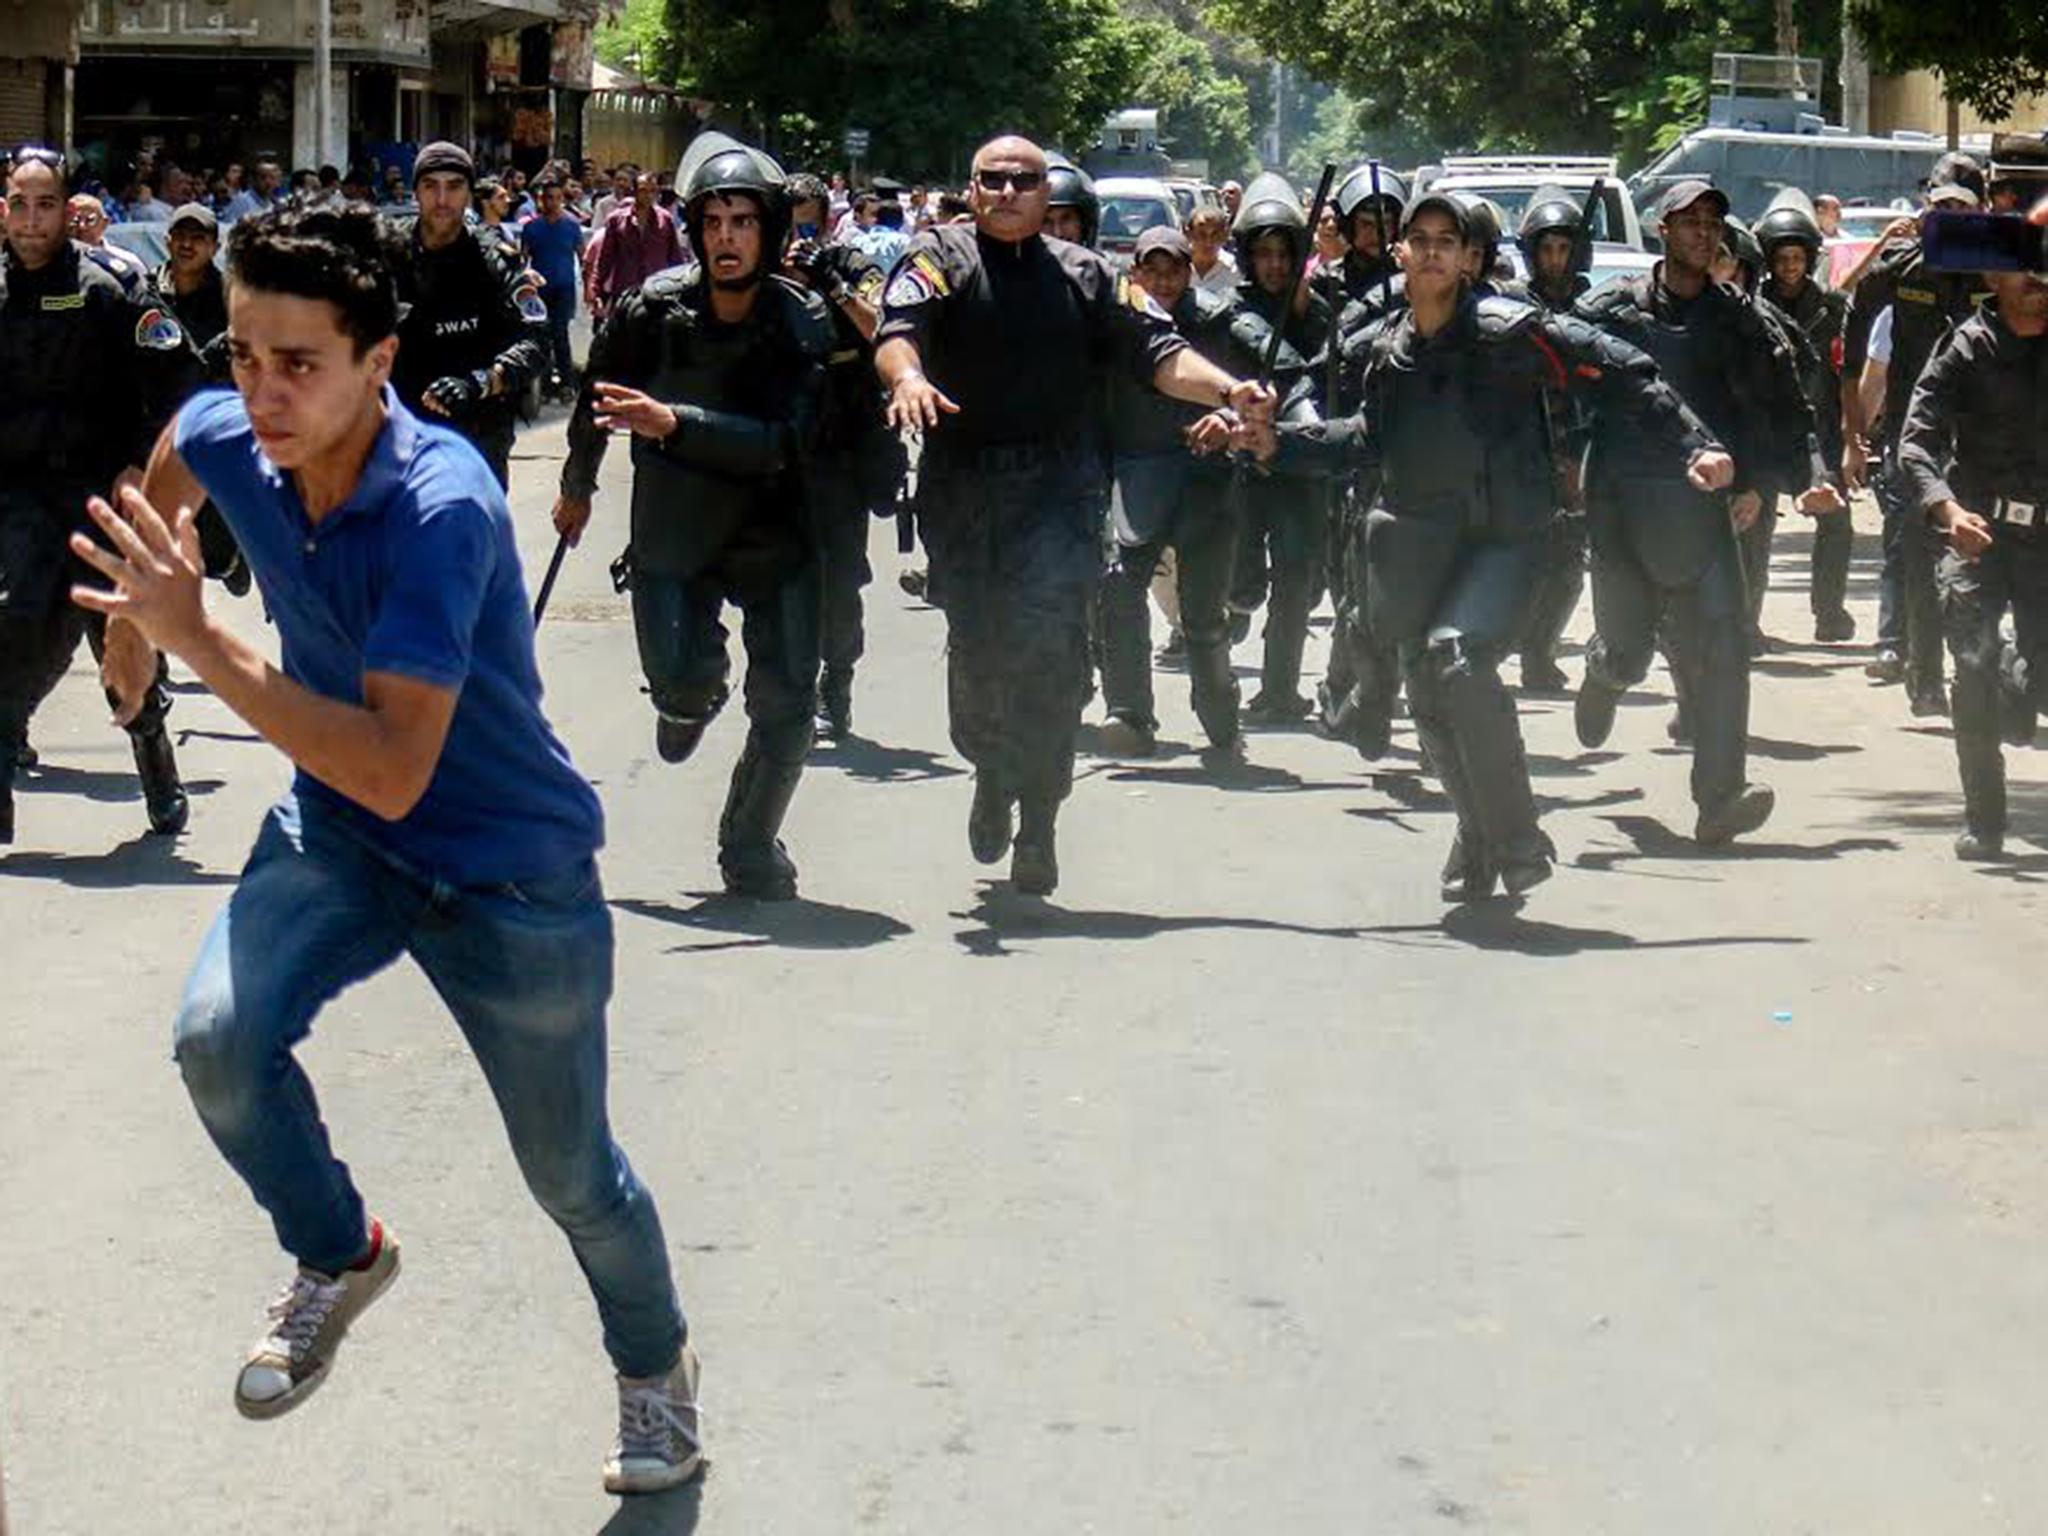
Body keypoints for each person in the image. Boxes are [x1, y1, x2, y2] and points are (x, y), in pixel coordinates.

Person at [76, 201, 700, 1492]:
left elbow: (391, 763)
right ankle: (340, 1251)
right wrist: (134, 631)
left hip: (504, 871)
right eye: (244, 353)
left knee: (573, 1176)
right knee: (216, 1041)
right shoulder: (229, 425)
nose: (262, 392)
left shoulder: (444, 507)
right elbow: (172, 466)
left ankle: (655, 1371)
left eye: (298, 364)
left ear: (380, 362)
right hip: (341, 836)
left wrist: (195, 640)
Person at [1255, 190, 1731, 899]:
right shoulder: (1390, 353)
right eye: (1423, 239)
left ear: (1470, 257)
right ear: (1402, 253)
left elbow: (1623, 366)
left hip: (1509, 541)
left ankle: (1516, 838)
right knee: (1429, 694)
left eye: (1452, 240)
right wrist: (1272, 444)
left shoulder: (1513, 332)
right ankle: (1476, 838)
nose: (1437, 251)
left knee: (1461, 660)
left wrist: (1695, 442)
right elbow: (1363, 442)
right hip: (1421, 544)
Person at [874, 135, 1273, 895]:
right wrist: (909, 379)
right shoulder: (937, 258)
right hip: (964, 497)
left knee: (1055, 666)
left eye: (1024, 181)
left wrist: (1230, 391)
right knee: (979, 665)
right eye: (991, 180)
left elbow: (1162, 352)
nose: (1007, 193)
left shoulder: (1092, 277)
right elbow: (898, 334)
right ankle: (992, 770)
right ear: (972, 186)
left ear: (1048, 193)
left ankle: (1041, 824)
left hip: (1059, 496)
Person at [553, 133, 832, 899]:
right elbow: (597, 400)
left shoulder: (800, 321)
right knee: (679, 684)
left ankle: (748, 844)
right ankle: (690, 695)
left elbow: (786, 442)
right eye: (713, 223)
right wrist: (577, 486)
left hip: (773, 531)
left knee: (787, 704)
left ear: (769, 232)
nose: (726, 238)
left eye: (743, 222)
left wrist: (671, 421)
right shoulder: (653, 309)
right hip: (675, 527)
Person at [1573, 179, 1839, 846]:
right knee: (1632, 653)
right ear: (1662, 228)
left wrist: (1793, 480)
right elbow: (1557, 387)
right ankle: (1605, 671)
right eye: (1688, 220)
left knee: (1725, 645)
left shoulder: (1741, 319)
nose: (1701, 231)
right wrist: (1559, 468)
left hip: (1705, 508)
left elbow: (1785, 408)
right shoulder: (1611, 312)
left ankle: (1720, 797)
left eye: (1711, 221)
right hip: (1621, 508)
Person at [0, 146, 191, 843]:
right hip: (17, 497)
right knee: (10, 622)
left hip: (100, 498)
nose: (30, 219)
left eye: (44, 204)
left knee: (118, 656)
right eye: (18, 203)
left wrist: (142, 467)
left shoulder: (110, 289)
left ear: (68, 210)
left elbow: (176, 390)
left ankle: (155, 759)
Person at [1896, 256, 2048, 859]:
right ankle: (1985, 822)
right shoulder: (1964, 348)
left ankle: (2021, 680)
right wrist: (1949, 512)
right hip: (1976, 533)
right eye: (2029, 277)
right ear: (1996, 280)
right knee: (1973, 663)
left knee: (2033, 685)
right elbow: (1916, 443)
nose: (2040, 289)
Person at [1843, 161, 1988, 714]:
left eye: (1962, 210)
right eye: (1941, 208)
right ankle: (1925, 675)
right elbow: (1851, 321)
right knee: (1920, 552)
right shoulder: (1902, 266)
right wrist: (1851, 433)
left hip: (1984, 435)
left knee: (1983, 554)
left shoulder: (2003, 266)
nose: (1950, 218)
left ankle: (1985, 667)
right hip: (1916, 437)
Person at [1098, 226, 1247, 757]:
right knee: (1117, 587)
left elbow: (1263, 383)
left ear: (1189, 270)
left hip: (1205, 477)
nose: (1162, 281)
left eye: (1173, 270)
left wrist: (1230, 415)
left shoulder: (1222, 318)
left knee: (1203, 614)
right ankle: (1129, 712)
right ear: (1135, 271)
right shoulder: (1115, 318)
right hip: (1136, 471)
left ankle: (1218, 706)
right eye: (1151, 270)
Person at [784, 172, 895, 740]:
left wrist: (831, 281)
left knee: (839, 576)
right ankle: (785, 685)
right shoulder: (764, 270)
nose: (799, 230)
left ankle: (837, 682)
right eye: (790, 218)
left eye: (809, 217)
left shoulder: (850, 265)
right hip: (777, 443)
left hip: (842, 445)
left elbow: (883, 327)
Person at [1227, 172, 1333, 722]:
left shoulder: (1322, 310)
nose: (1273, 264)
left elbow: (1331, 375)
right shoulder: (1227, 309)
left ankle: (1279, 689)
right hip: (1241, 465)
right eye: (1263, 253)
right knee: (1238, 581)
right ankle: (1216, 681)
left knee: (1297, 578)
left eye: (1282, 253)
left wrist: (1307, 310)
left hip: (1301, 464)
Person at [389, 142, 550, 489]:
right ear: (415, 191)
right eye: (431, 186)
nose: (442, 199)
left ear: (469, 194)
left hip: (475, 438)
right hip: (398, 437)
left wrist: (481, 381)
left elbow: (536, 343)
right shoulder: (387, 253)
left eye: (454, 186)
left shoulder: (498, 261)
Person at [1756, 187, 1855, 643]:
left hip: (1820, 433)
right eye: (1782, 259)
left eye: (1798, 258)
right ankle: (1744, 618)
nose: (1790, 268)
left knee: (1837, 522)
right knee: (1752, 524)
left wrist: (1852, 433)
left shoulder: (1833, 308)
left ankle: (1829, 612)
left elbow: (1848, 371)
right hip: (1768, 431)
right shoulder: (1750, 308)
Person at [521, 174, 587, 400]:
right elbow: (523, 261)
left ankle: (567, 384)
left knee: (560, 334)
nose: (552, 202)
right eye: (548, 197)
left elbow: (582, 257)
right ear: (541, 199)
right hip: (539, 291)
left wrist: (588, 288)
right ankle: (545, 385)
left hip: (564, 289)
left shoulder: (571, 225)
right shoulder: (531, 228)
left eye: (557, 197)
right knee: (541, 336)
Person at [591, 169, 686, 322]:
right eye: (643, 190)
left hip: (657, 292)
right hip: (625, 291)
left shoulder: (665, 220)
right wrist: (597, 291)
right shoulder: (617, 220)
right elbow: (605, 259)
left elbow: (676, 258)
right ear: (634, 191)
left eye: (653, 190)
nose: (648, 195)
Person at [66, 193, 151, 291]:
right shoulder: (53, 260)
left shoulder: (127, 261)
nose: (82, 227)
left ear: (104, 223)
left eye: (89, 220)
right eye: (75, 221)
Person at [1187, 204, 1238, 296]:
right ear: (1189, 234)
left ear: (1225, 235)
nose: (1208, 242)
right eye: (1201, 234)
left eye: (1215, 234)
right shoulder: (1177, 266)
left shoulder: (1236, 271)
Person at [223, 158, 281, 223]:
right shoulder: (241, 202)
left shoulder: (276, 204)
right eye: (263, 177)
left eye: (272, 177)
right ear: (254, 179)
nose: (268, 182)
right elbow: (228, 229)